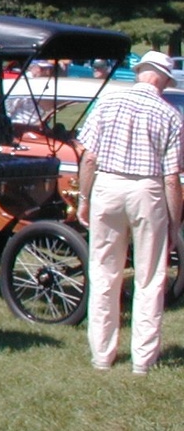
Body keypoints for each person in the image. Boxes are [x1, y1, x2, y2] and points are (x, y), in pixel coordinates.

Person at [77, 50, 183, 375]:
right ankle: (142, 359)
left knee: (104, 272)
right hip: (146, 189)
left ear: (139, 73)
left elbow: (89, 158)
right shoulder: (170, 115)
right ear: (162, 79)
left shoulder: (107, 102)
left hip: (107, 186)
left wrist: (84, 197)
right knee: (150, 276)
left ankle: (102, 355)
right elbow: (171, 179)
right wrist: (174, 224)